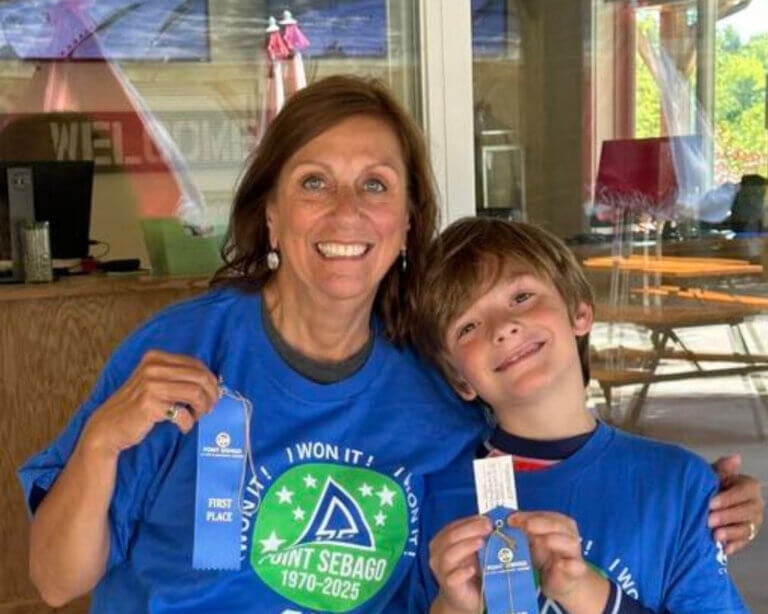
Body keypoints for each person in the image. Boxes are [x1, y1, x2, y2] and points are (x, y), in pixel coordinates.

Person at [17, 77, 761, 613]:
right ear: (271, 215)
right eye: (315, 183)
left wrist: (700, 503)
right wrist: (101, 445)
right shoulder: (182, 351)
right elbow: (55, 583)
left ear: (407, 223)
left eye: (374, 185)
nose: (345, 214)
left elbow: (549, 446)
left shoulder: (436, 377)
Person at [410, 217, 754, 613]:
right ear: (460, 380)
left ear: (579, 313)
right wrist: (450, 608)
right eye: (467, 326)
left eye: (521, 297)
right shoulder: (434, 494)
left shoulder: (679, 485)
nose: (502, 328)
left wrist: (587, 594)